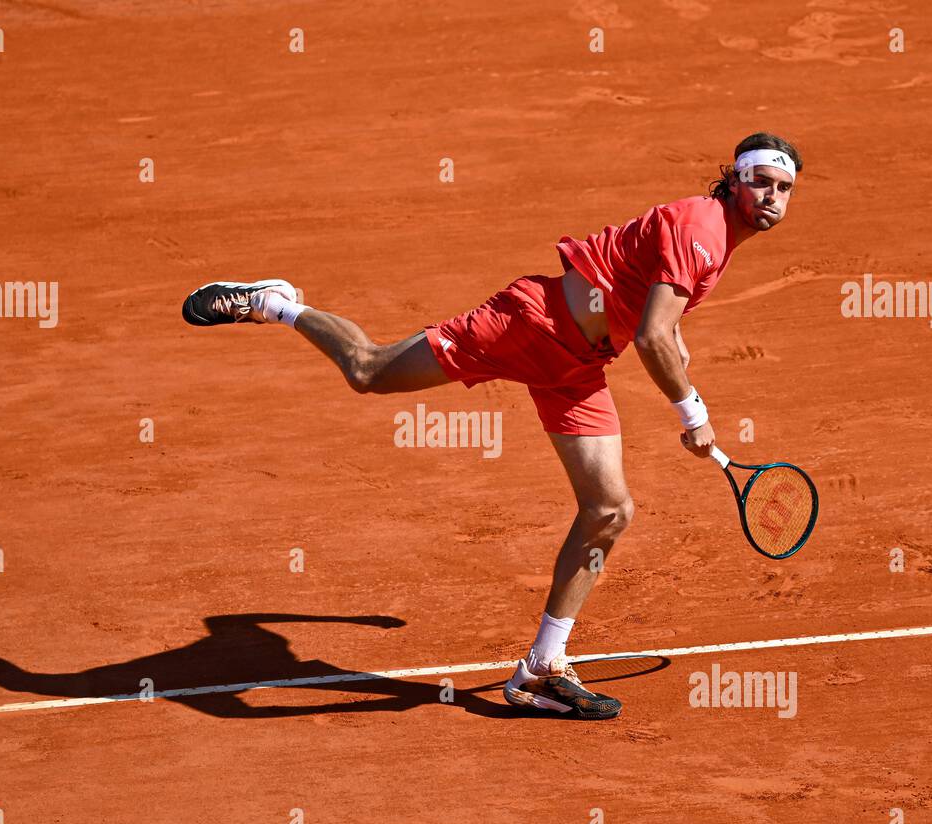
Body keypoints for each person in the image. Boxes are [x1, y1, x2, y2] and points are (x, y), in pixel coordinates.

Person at [181, 132, 802, 720]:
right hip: (527, 325)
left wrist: (673, 334)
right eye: (762, 184)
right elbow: (650, 334)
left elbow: (647, 294)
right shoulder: (703, 227)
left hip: (577, 365)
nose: (772, 198)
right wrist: (692, 412)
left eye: (784, 189)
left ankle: (540, 670)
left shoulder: (715, 239)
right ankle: (275, 303)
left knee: (609, 511)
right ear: (734, 183)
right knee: (368, 371)